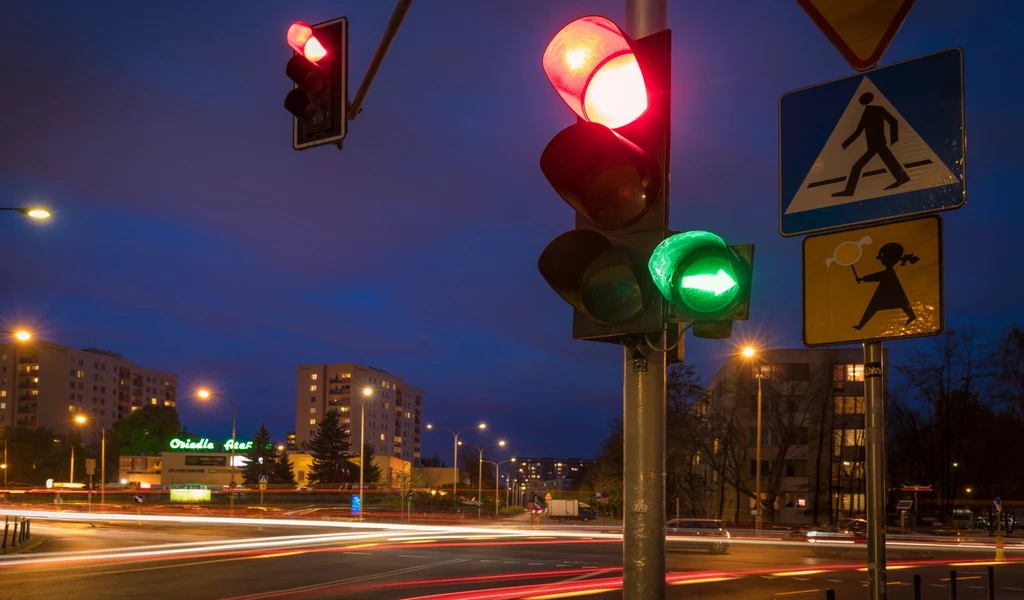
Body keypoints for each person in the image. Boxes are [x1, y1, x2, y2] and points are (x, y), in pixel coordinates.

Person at [832, 92, 910, 197]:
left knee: (857, 166)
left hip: (877, 143)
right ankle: (902, 178)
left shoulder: (874, 110)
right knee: (889, 161)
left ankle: (849, 191)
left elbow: (893, 122)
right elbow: (859, 131)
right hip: (875, 144)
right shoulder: (869, 111)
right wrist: (844, 144)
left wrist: (894, 140)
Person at [853, 242, 919, 330]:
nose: (881, 261)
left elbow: (879, 276)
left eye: (882, 259)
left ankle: (860, 326)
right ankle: (860, 325)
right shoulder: (890, 271)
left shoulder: (889, 272)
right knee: (901, 303)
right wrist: (863, 279)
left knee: (874, 306)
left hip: (887, 292)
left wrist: (863, 279)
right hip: (889, 292)